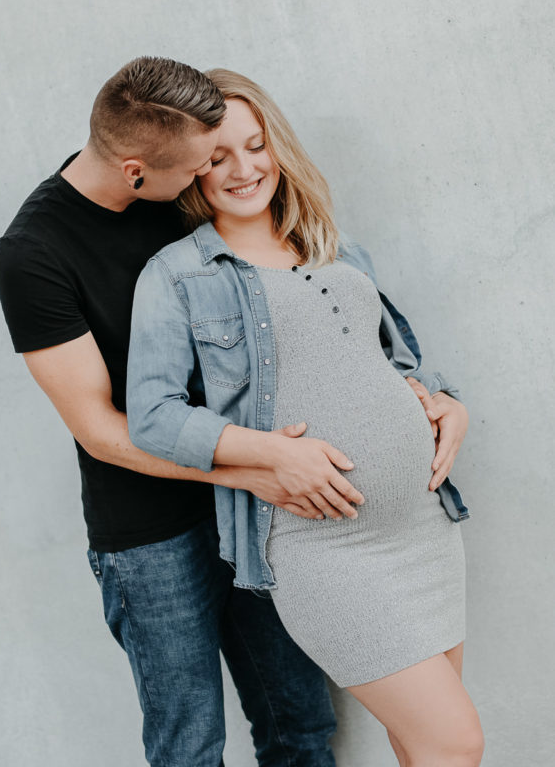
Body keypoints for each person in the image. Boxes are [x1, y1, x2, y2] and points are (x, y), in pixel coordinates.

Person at [0, 56, 347, 767]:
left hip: (253, 509)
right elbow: (99, 430)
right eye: (196, 170)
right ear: (134, 172)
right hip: (149, 536)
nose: (208, 182)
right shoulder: (34, 253)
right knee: (190, 749)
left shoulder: (166, 177)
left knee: (301, 724)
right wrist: (253, 470)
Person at [126, 69, 484, 767]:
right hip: (325, 549)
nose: (242, 168)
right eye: (217, 156)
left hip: (423, 528)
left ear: (277, 145)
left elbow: (398, 364)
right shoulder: (177, 276)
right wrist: (263, 452)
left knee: (423, 747)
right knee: (456, 742)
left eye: (255, 145)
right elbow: (153, 416)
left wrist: (447, 405)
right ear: (192, 169)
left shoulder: (335, 246)